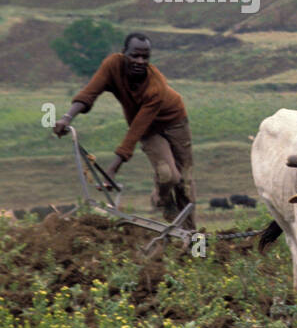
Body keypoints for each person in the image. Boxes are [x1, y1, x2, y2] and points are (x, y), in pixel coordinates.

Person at [52, 33, 197, 229]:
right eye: (134, 56)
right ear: (123, 53)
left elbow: (136, 128)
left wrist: (113, 168)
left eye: (145, 57)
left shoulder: (156, 86)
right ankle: (163, 201)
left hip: (175, 121)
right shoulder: (113, 66)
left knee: (185, 182)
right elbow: (89, 93)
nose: (140, 61)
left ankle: (190, 235)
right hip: (150, 131)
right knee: (168, 175)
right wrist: (67, 117)